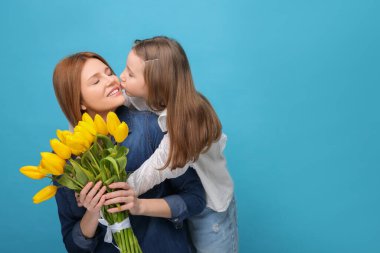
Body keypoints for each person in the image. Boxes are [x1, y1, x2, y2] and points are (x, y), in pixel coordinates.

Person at [52, 52, 206, 253]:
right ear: (79, 100)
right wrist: (93, 211)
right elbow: (74, 246)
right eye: (96, 81)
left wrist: (140, 205)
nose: (112, 81)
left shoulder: (152, 127)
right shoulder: (66, 159)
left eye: (109, 73)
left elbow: (196, 198)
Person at [118, 36, 238, 253]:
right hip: (182, 192)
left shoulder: (190, 117)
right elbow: (118, 101)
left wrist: (123, 189)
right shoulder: (146, 95)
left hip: (210, 206)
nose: (121, 77)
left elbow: (160, 165)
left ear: (156, 83)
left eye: (130, 73)